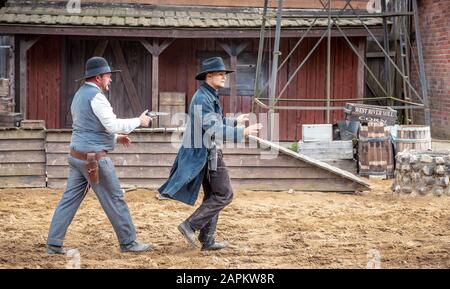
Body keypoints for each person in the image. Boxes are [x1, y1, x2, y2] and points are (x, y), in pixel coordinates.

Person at [46, 57, 153, 254]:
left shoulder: (79, 95)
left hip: (77, 156)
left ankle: (53, 243)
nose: (110, 79)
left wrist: (115, 139)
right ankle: (128, 242)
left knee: (69, 200)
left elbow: (89, 127)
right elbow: (111, 124)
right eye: (108, 76)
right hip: (94, 159)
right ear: (98, 78)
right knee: (115, 198)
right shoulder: (97, 97)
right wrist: (138, 121)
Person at [158, 57, 262, 251]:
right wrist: (242, 132)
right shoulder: (202, 98)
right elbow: (213, 128)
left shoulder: (209, 95)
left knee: (214, 195)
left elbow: (216, 122)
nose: (224, 76)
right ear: (209, 75)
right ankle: (190, 225)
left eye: (224, 73)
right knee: (225, 194)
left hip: (207, 153)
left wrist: (233, 121)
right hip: (205, 153)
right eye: (220, 73)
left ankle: (207, 240)